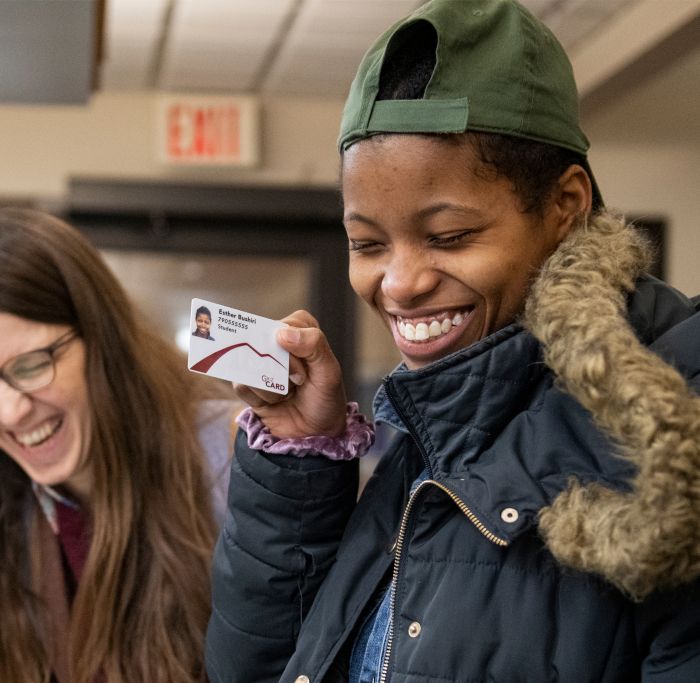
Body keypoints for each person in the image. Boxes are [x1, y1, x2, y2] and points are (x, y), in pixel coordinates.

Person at [206, 1, 700, 681]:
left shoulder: (679, 412)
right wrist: (302, 457)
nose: (400, 284)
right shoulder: (435, 426)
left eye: (449, 237)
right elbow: (257, 668)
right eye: (367, 243)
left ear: (565, 207)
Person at [0, 208, 240, 683]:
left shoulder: (226, 458)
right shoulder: (14, 500)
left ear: (102, 339)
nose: (10, 412)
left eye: (29, 366)